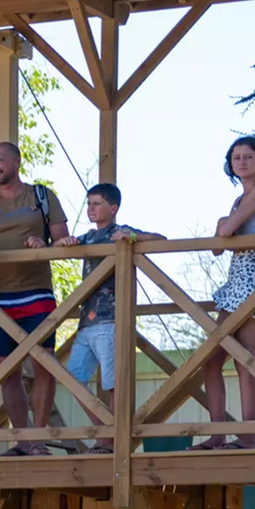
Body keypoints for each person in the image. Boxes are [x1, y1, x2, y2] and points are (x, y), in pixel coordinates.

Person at [0, 142, 70, 455]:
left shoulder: (41, 197)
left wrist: (43, 244)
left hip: (36, 293)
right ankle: (23, 441)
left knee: (44, 365)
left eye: (0, 160)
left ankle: (39, 438)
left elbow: (62, 240)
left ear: (17, 162)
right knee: (7, 372)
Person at [52, 183, 163, 454]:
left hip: (111, 318)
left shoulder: (120, 232)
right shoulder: (88, 238)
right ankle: (106, 432)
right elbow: (57, 247)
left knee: (113, 382)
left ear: (113, 208)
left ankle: (112, 439)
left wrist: (133, 238)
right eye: (88, 204)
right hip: (86, 321)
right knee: (73, 377)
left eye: (97, 203)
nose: (91, 209)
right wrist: (63, 242)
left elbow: (161, 240)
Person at [199, 136, 255, 450]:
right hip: (236, 278)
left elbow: (223, 233)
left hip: (251, 277)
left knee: (242, 358)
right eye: (237, 158)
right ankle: (218, 434)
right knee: (213, 360)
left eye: (248, 157)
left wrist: (224, 224)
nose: (242, 162)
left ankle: (248, 436)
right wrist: (225, 225)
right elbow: (216, 249)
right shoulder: (241, 198)